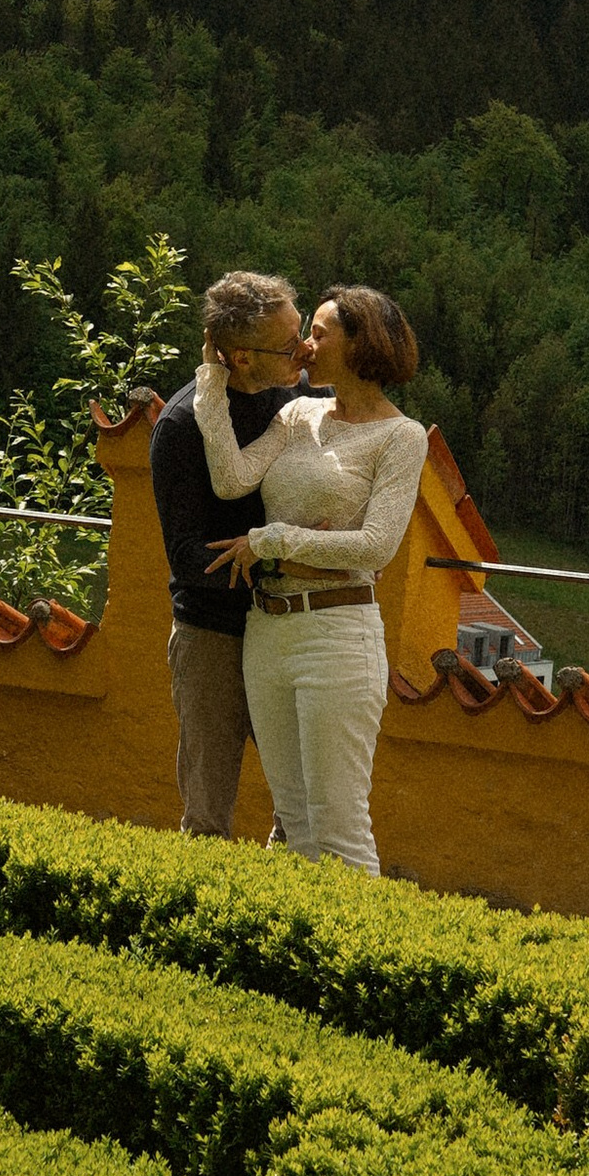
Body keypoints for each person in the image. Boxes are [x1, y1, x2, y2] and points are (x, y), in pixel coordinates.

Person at [194, 285, 428, 873]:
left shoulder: (402, 437)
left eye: (320, 334)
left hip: (338, 638)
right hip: (267, 633)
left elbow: (377, 546)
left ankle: (364, 964)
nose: (304, 345)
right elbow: (231, 479)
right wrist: (209, 387)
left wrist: (273, 541)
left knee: (339, 831)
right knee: (294, 823)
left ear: (361, 344)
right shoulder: (298, 412)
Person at [148, 269, 308, 835]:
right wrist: (278, 562)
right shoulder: (181, 426)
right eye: (290, 344)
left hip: (288, 631)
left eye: (304, 331)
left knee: (302, 808)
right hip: (212, 635)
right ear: (241, 357)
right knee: (209, 815)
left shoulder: (299, 396)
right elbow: (188, 558)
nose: (304, 349)